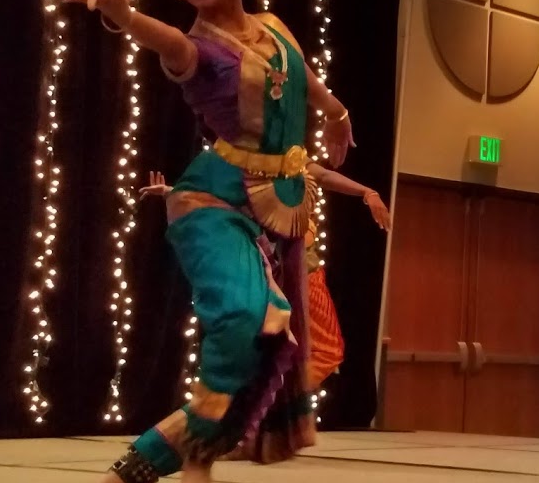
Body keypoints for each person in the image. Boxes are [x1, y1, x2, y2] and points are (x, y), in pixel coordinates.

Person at [63, 0, 354, 483]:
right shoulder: (197, 49)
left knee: (266, 345)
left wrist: (337, 112)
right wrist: (124, 16)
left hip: (274, 210)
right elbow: (163, 40)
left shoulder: (274, 28)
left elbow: (303, 79)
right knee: (246, 315)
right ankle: (194, 452)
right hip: (210, 204)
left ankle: (133, 478)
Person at [140, 166, 390, 390]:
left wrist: (367, 192)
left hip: (286, 274)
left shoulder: (288, 163)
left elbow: (323, 175)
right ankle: (269, 400)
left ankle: (267, 401)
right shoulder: (257, 171)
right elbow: (217, 201)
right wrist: (172, 192)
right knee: (322, 351)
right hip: (282, 276)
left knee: (287, 349)